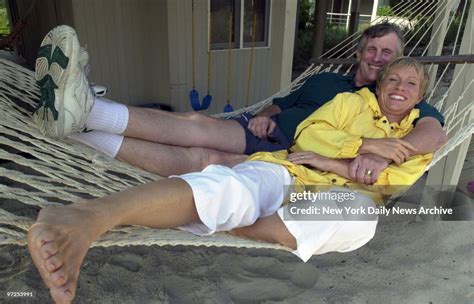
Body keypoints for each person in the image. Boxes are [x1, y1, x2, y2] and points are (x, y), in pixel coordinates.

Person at [29, 57, 433, 304]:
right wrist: (365, 146)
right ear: (379, 84)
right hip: (290, 168)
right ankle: (89, 215)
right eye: (392, 80)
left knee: (361, 219)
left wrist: (341, 166)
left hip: (342, 199)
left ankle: (233, 219)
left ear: (420, 97)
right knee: (230, 184)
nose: (399, 88)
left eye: (409, 84)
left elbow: (392, 182)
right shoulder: (348, 101)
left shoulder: (421, 133)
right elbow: (309, 137)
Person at [33, 24, 446, 181]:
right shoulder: (323, 80)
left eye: (387, 54)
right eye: (372, 50)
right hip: (271, 131)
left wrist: (387, 153)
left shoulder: (398, 99)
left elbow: (433, 131)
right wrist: (267, 115)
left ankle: (81, 129)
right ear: (359, 53)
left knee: (203, 158)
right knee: (198, 122)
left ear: (399, 62)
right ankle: (86, 112)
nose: (378, 59)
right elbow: (281, 102)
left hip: (297, 155)